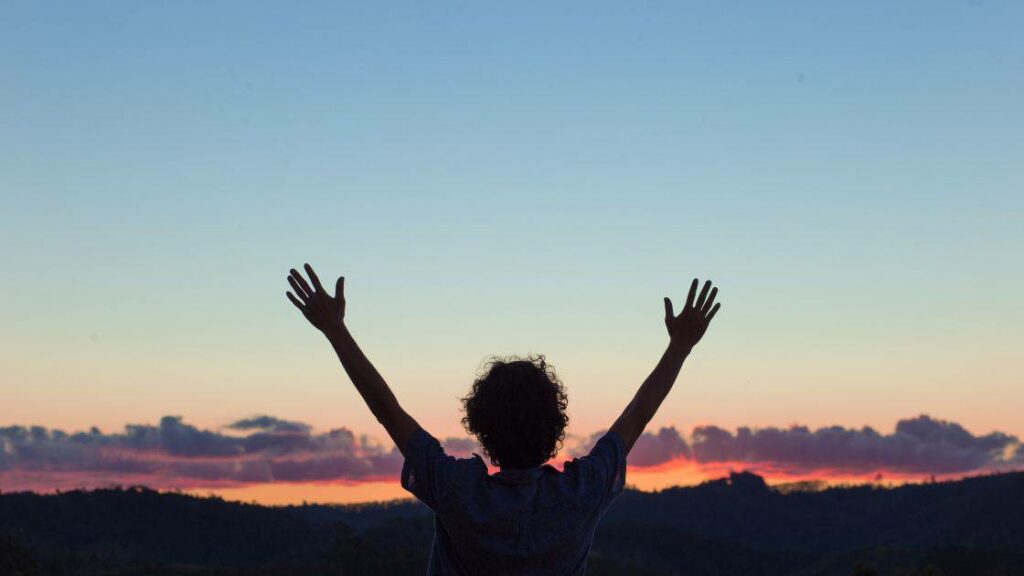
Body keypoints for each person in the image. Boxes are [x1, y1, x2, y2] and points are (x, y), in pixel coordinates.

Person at [286, 264, 721, 576]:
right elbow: (636, 417)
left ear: (481, 428)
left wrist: (336, 331)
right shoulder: (579, 495)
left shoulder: (458, 491)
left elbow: (387, 411)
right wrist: (679, 347)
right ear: (554, 426)